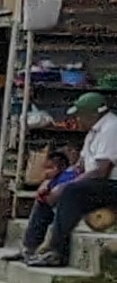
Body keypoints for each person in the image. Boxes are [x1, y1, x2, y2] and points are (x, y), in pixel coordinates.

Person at [20, 97, 117, 261]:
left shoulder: (112, 128)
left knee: (71, 191)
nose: (77, 119)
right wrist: (53, 183)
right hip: (95, 183)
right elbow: (79, 166)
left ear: (92, 114)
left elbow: (101, 171)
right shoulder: (94, 132)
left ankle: (58, 252)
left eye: (80, 115)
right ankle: (30, 247)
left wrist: (65, 186)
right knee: (47, 191)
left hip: (111, 185)